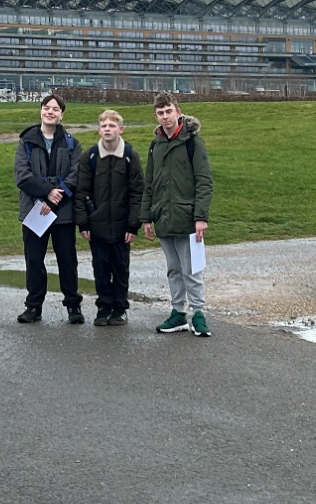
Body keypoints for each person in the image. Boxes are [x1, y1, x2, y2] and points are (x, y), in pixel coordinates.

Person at [141, 93, 214, 336]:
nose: (165, 117)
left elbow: (204, 181)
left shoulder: (193, 142)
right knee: (173, 269)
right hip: (163, 216)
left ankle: (199, 314)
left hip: (187, 218)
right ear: (156, 116)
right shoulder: (155, 145)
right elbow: (149, 183)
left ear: (177, 111)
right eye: (160, 113)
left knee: (192, 269)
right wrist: (146, 217)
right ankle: (178, 313)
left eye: (168, 111)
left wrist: (200, 217)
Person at [14, 92, 84, 325]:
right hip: (33, 210)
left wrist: (54, 199)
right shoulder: (26, 141)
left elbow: (76, 176)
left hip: (62, 212)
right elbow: (22, 176)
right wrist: (45, 193)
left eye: (55, 109)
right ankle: (33, 307)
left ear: (61, 114)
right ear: (41, 110)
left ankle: (73, 306)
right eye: (47, 107)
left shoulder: (72, 143)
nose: (50, 112)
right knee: (34, 260)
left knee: (67, 260)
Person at [74, 107, 142, 327]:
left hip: (123, 226)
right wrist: (83, 221)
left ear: (120, 129)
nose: (107, 129)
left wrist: (133, 225)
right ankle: (103, 307)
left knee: (121, 268)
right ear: (98, 130)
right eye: (104, 126)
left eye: (112, 125)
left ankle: (120, 309)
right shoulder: (90, 157)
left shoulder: (130, 156)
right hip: (97, 226)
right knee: (101, 268)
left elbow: (137, 193)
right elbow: (81, 192)